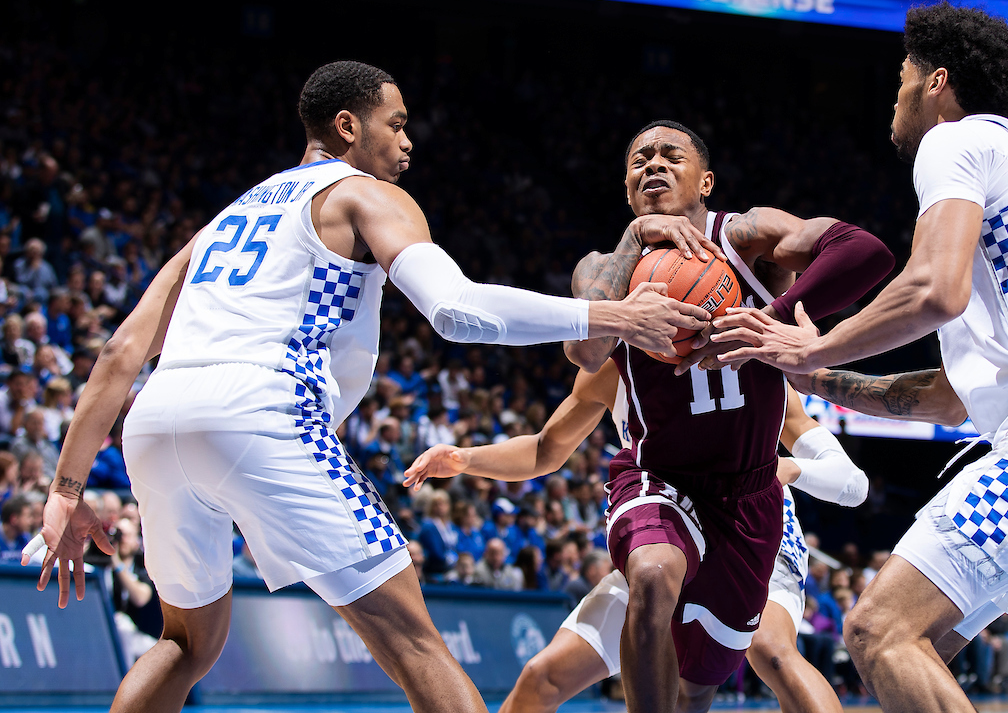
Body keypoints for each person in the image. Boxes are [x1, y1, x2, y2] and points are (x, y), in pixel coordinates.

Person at [21, 60, 714, 713]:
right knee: (415, 642)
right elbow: (455, 310)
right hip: (263, 410)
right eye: (397, 123)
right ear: (348, 126)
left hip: (156, 417)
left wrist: (65, 490)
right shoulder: (363, 193)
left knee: (184, 642)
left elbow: (119, 353)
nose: (408, 142)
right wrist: (613, 315)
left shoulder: (225, 220)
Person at [701, 3, 1008, 712]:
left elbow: (931, 290)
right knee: (918, 651)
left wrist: (814, 340)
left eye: (901, 79)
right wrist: (821, 377)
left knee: (878, 629)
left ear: (936, 81)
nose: (895, 96)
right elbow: (949, 398)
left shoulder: (959, 139)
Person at [557, 119, 892, 713]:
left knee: (699, 686)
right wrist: (635, 238)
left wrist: (772, 318)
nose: (653, 164)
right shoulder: (601, 269)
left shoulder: (746, 239)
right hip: (658, 476)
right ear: (627, 188)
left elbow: (866, 251)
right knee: (651, 575)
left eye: (670, 155)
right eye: (639, 160)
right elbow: (584, 351)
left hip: (748, 494)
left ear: (706, 181)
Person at [405, 362, 870, 713]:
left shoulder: (746, 360)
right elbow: (546, 449)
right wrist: (466, 459)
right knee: (543, 677)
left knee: (771, 652)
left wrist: (787, 468)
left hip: (748, 527)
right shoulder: (616, 364)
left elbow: (851, 482)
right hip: (667, 524)